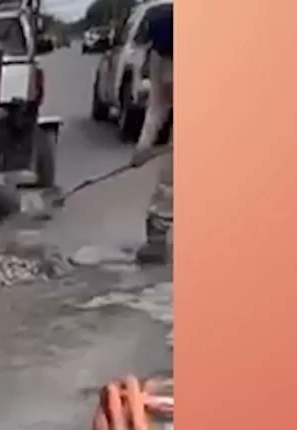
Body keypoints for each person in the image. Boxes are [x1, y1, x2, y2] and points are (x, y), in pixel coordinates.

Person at [131, 4, 173, 265]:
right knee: (169, 179)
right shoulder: (159, 58)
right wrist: (143, 146)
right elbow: (158, 104)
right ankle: (156, 240)